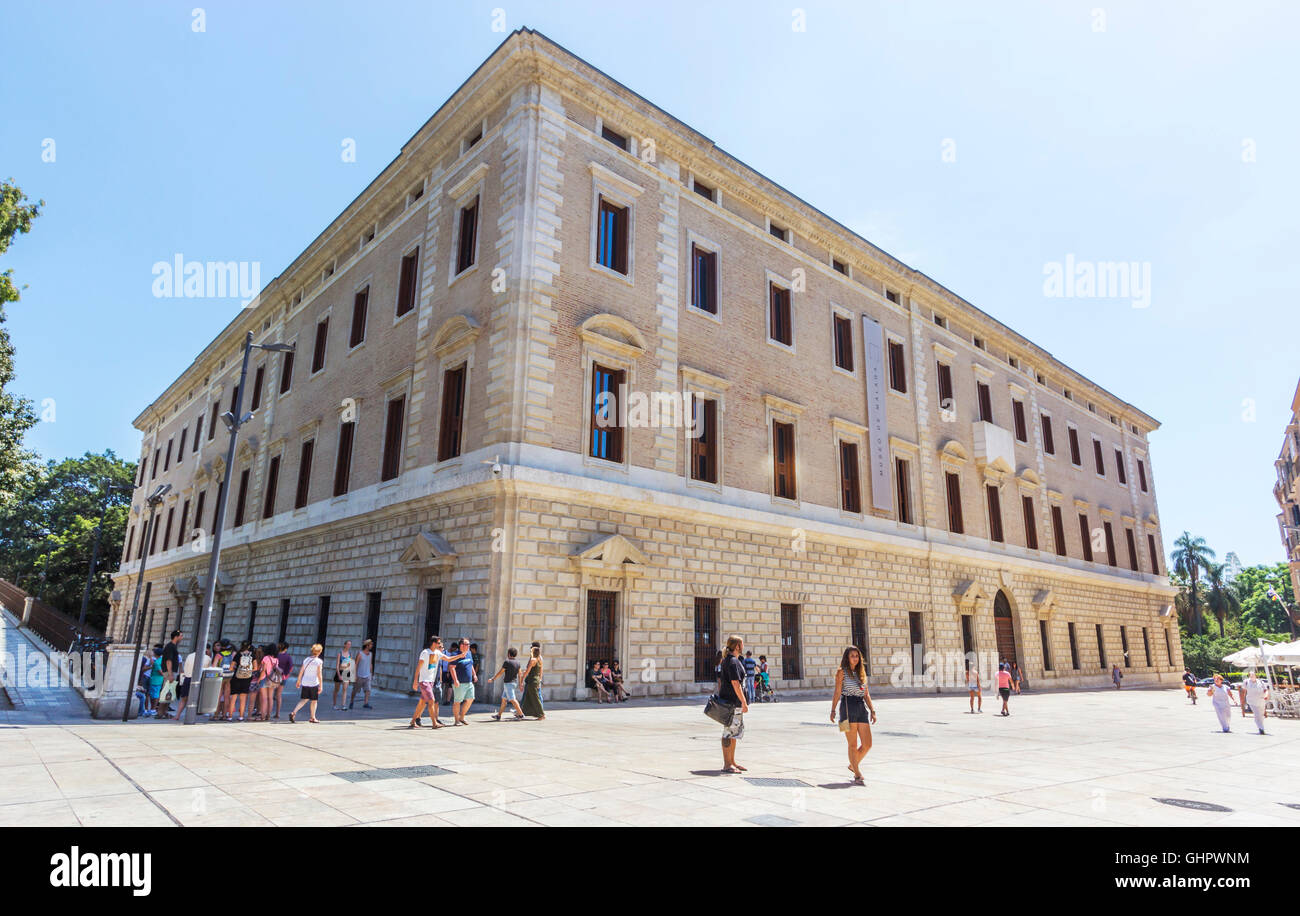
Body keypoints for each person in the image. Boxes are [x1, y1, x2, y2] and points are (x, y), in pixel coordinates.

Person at [830, 645, 877, 785]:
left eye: (857, 656)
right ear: (847, 657)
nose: (855, 658)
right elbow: (837, 692)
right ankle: (857, 773)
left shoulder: (862, 673)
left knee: (867, 744)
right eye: (852, 656)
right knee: (852, 744)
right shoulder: (841, 672)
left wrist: (872, 711)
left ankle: (853, 764)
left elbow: (866, 694)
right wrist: (832, 710)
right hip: (846, 708)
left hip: (861, 707)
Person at [410, 636, 464, 728]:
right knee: (431, 701)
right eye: (439, 643)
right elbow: (418, 667)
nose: (440, 645)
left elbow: (448, 659)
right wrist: (415, 681)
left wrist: (460, 656)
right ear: (434, 643)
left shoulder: (438, 653)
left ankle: (412, 721)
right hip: (424, 681)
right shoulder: (425, 653)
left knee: (422, 703)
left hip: (431, 682)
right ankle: (434, 723)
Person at [717, 635, 749, 774]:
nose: (743, 647)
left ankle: (732, 761)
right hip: (732, 703)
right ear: (737, 646)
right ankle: (727, 764)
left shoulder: (730, 660)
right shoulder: (732, 661)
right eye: (742, 644)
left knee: (733, 732)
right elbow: (736, 684)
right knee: (728, 732)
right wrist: (744, 702)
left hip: (731, 702)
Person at [175, 642, 211, 721]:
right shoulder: (207, 658)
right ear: (207, 649)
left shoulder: (190, 655)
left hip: (187, 678)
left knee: (184, 699)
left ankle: (177, 715)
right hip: (199, 679)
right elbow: (207, 670)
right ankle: (195, 714)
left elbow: (185, 667)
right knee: (198, 698)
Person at [290, 644, 325, 723]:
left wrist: (298, 681)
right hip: (313, 683)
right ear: (319, 652)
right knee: (314, 701)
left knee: (304, 699)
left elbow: (301, 671)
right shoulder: (319, 661)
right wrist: (321, 685)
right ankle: (313, 717)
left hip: (305, 682)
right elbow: (319, 674)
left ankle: (293, 712)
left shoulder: (306, 660)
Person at [488, 648, 525, 721]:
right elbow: (520, 674)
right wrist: (521, 684)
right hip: (513, 683)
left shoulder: (507, 662)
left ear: (508, 654)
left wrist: (493, 679)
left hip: (508, 684)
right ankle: (499, 715)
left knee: (512, 699)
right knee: (504, 700)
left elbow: (500, 672)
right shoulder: (518, 663)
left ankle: (521, 714)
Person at [450, 638, 477, 725]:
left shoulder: (469, 653)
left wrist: (474, 674)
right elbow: (451, 668)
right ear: (461, 645)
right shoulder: (455, 654)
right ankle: (456, 720)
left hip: (469, 682)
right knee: (457, 701)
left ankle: (461, 717)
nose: (469, 646)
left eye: (469, 644)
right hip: (459, 682)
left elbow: (471, 664)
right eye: (467, 644)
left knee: (470, 699)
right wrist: (455, 680)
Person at [156, 630, 182, 719]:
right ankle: (160, 712)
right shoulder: (170, 647)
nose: (182, 638)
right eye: (181, 636)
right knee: (166, 692)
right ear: (176, 636)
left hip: (171, 672)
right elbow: (168, 661)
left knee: (169, 693)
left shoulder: (172, 646)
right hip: (169, 672)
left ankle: (164, 712)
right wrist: (170, 674)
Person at [227, 641, 255, 721]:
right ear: (249, 646)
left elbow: (231, 667)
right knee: (243, 699)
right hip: (247, 679)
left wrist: (236, 669)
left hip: (236, 678)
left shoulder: (238, 654)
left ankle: (230, 716)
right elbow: (255, 668)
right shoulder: (252, 655)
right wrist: (248, 671)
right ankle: (241, 716)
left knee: (233, 698)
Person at [520, 642, 545, 720]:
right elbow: (541, 671)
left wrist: (521, 680)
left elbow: (527, 671)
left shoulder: (533, 660)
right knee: (528, 698)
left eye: (531, 649)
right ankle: (522, 712)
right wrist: (540, 680)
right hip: (535, 680)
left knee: (535, 698)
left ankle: (541, 715)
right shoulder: (539, 659)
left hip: (532, 681)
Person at [349, 639, 374, 710]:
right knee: (355, 690)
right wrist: (355, 675)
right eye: (371, 645)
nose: (371, 646)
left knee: (368, 690)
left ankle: (366, 703)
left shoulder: (371, 654)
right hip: (359, 675)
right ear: (367, 645)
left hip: (367, 675)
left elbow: (370, 664)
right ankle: (351, 701)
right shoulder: (360, 654)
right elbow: (356, 664)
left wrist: (371, 673)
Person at [256, 644, 279, 721]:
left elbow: (263, 670)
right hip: (272, 679)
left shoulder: (266, 658)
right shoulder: (276, 659)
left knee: (264, 699)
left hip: (264, 678)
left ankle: (262, 716)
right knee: (270, 698)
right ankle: (268, 715)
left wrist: (259, 679)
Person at [333, 639, 355, 711]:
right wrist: (339, 675)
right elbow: (337, 665)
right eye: (348, 644)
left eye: (350, 644)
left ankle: (343, 705)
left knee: (345, 689)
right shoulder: (340, 653)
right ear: (345, 645)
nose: (349, 646)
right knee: (337, 689)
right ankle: (334, 704)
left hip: (346, 672)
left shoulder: (350, 654)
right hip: (340, 671)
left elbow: (351, 664)